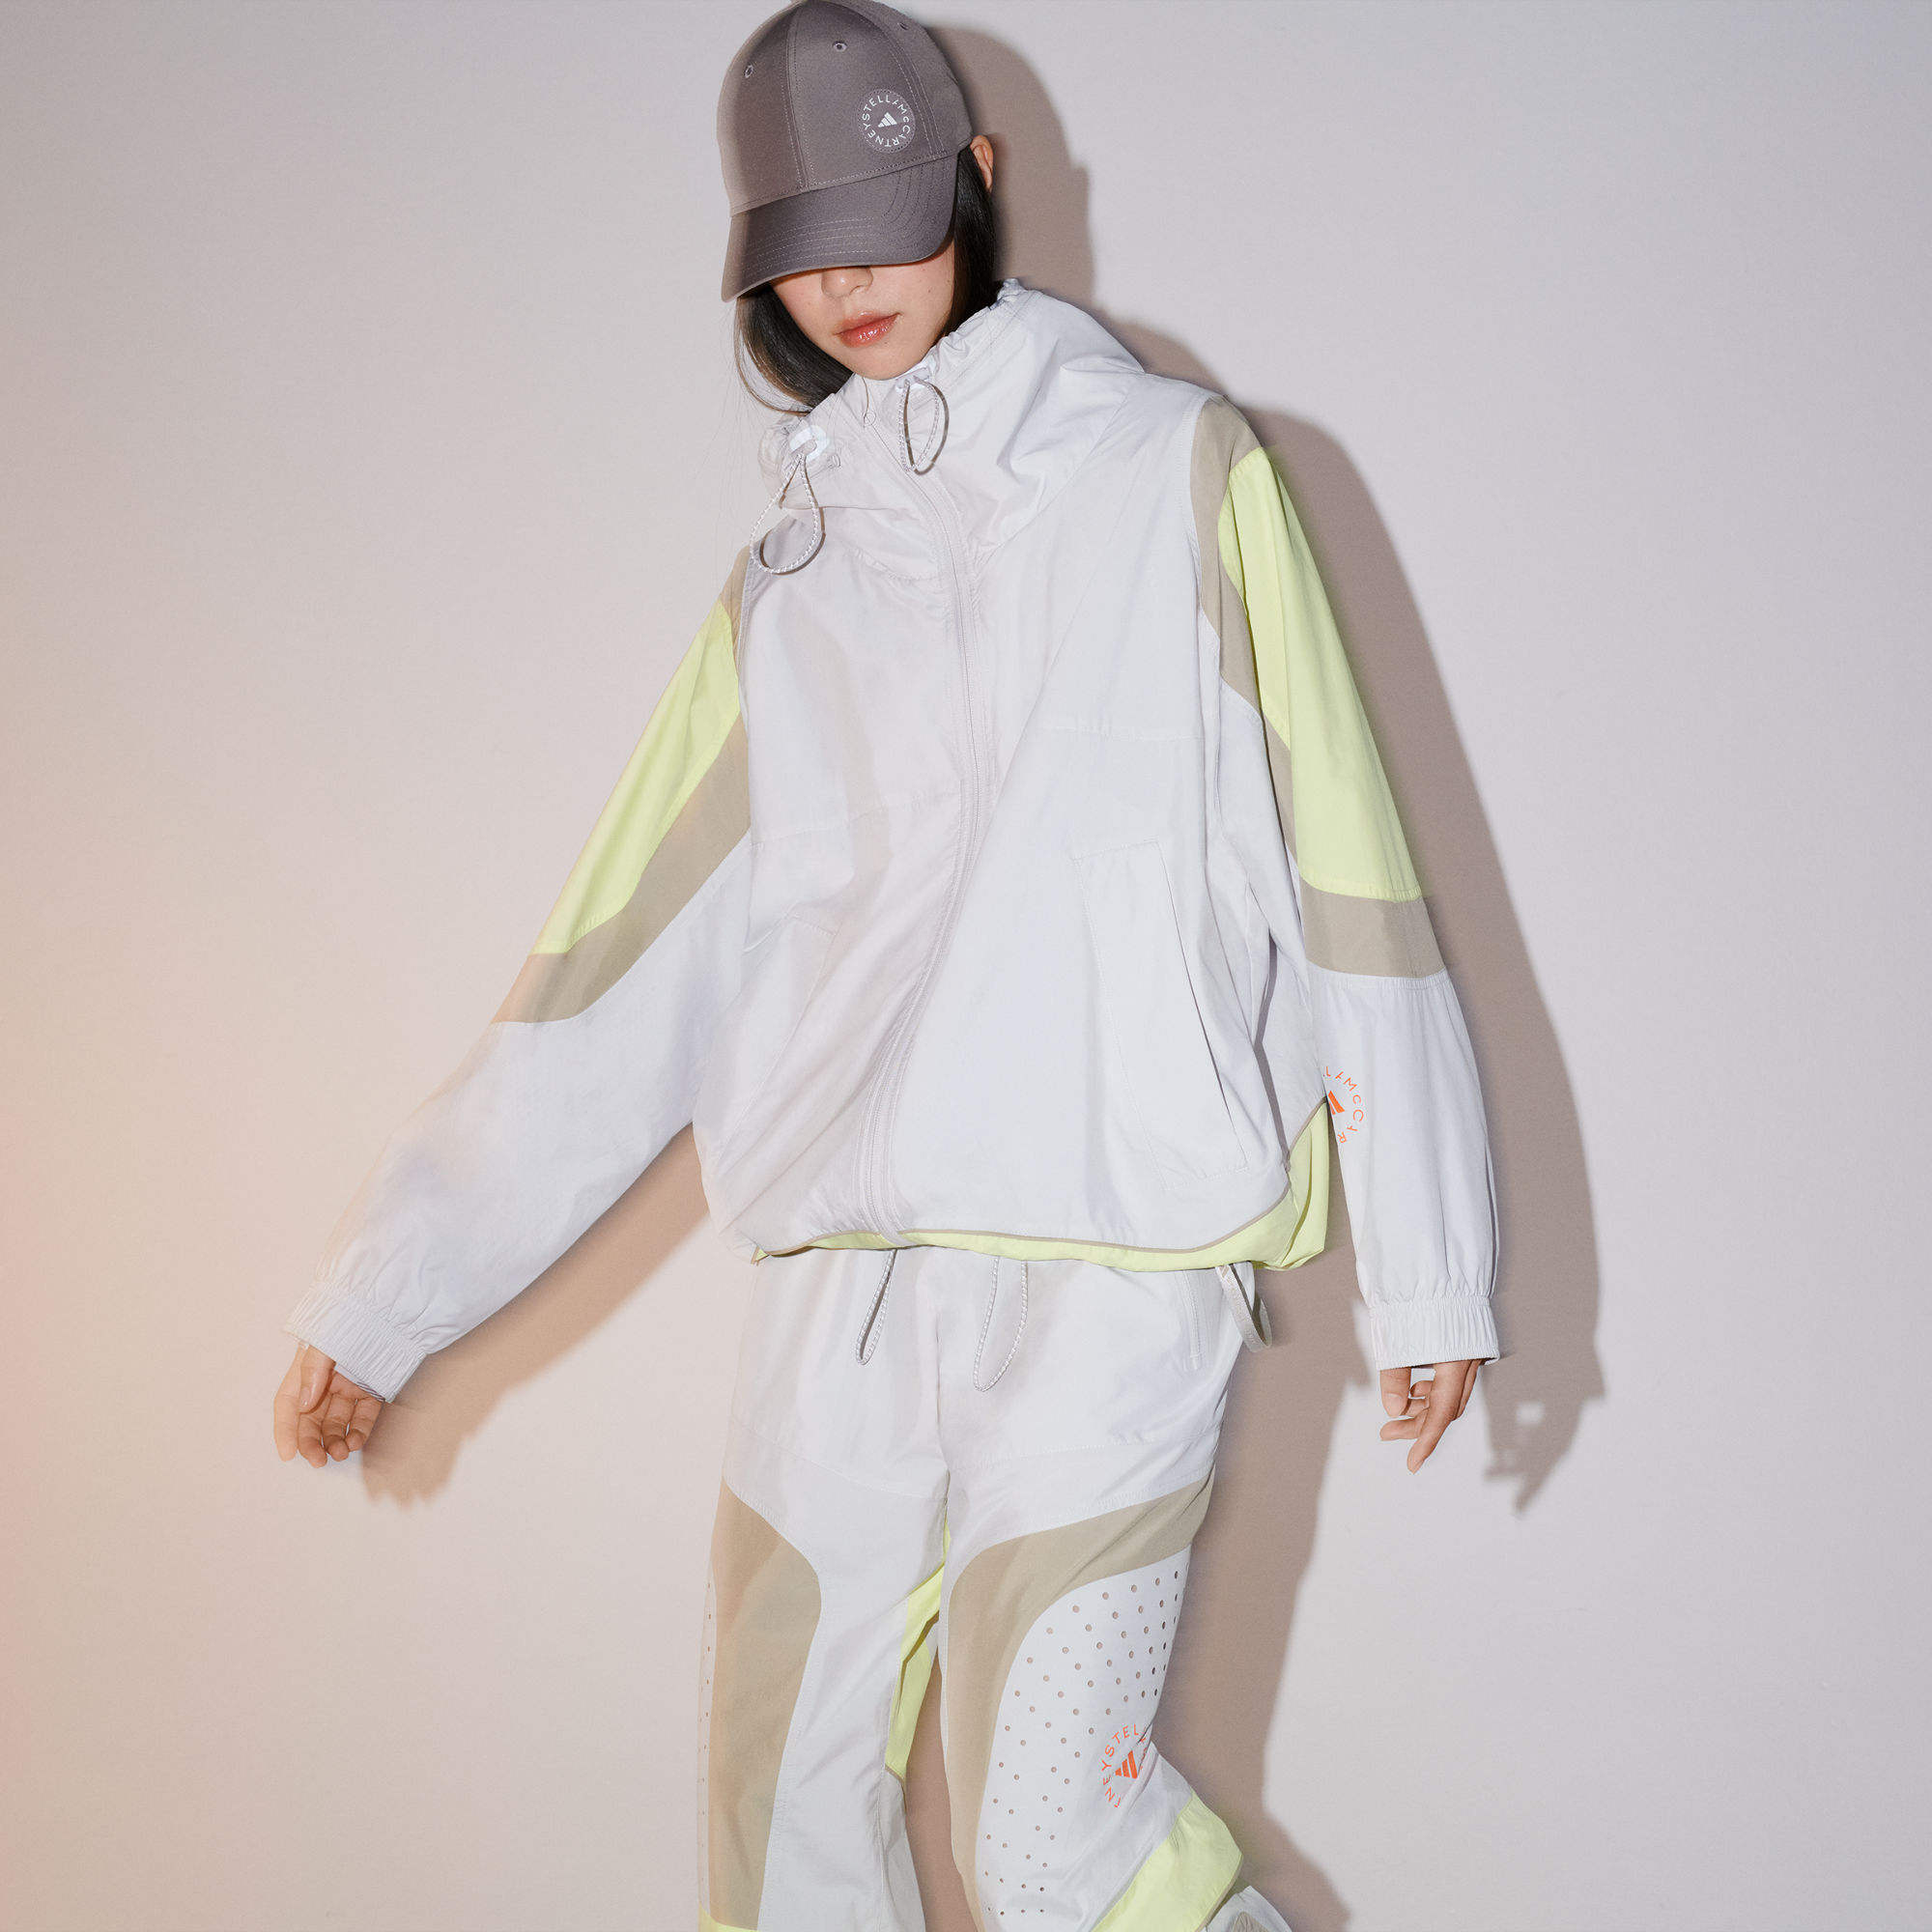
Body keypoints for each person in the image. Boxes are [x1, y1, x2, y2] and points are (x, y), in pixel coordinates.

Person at [270, 3, 1501, 1926]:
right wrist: (388, 1292)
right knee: (780, 1831)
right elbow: (618, 972)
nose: (847, 283)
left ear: (976, 183)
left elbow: (1351, 880)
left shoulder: (1179, 474)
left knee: (1052, 1844)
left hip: (1110, 1274)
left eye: (883, 221)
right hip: (837, 1302)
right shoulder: (789, 588)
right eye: (802, 249)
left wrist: (1429, 1258)